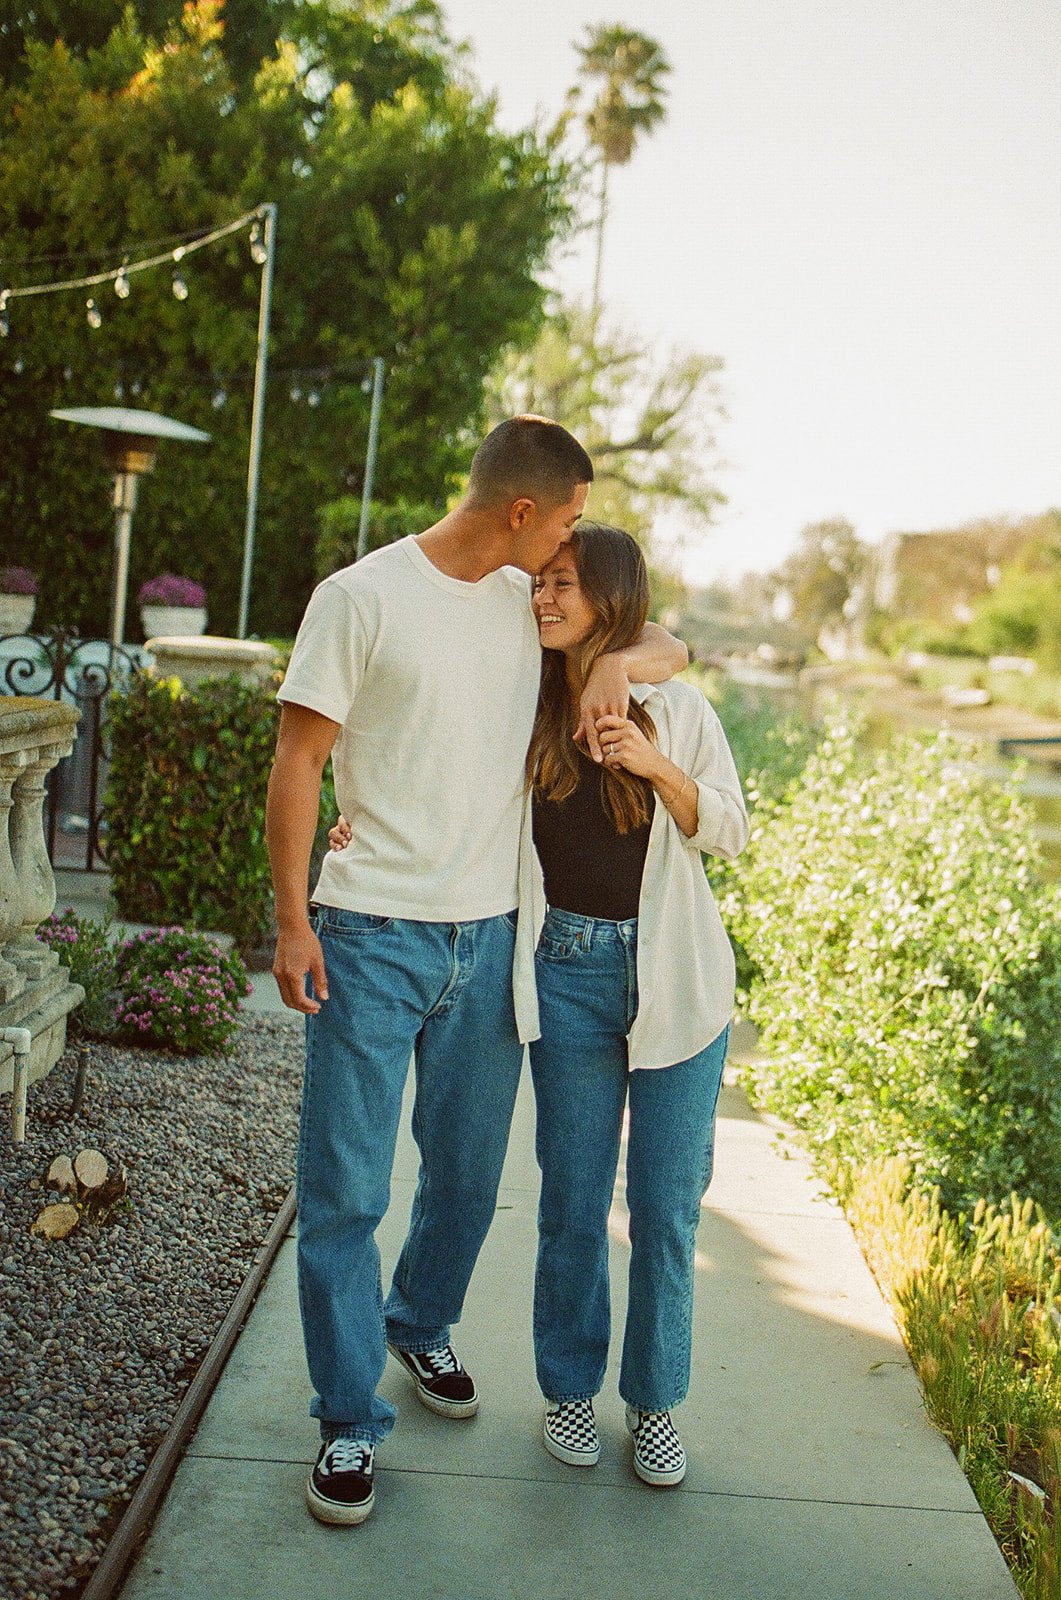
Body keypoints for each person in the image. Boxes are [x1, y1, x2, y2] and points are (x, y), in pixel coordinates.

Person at [266, 417, 688, 1527]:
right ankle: (348, 1419)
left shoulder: (526, 606)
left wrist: (627, 665)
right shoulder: (359, 597)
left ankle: (418, 1321)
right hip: (365, 934)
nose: (571, 546)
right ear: (521, 512)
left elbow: (668, 645)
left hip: (495, 939)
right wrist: (291, 919)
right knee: (348, 1193)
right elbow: (299, 758)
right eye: (568, 520)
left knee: (462, 1182)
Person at [523, 522, 748, 1487]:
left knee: (664, 1210)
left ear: (609, 598)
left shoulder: (678, 708)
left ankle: (653, 1405)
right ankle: (570, 1390)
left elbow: (731, 831)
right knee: (571, 1201)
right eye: (538, 581)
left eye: (562, 583)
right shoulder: (521, 700)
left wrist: (653, 765)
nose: (541, 597)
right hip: (564, 971)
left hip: (678, 985)